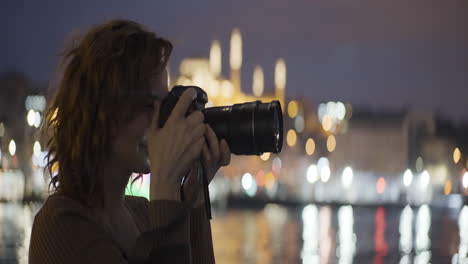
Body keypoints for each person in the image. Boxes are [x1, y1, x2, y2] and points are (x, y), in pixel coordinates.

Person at [29, 19, 231, 264]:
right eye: (149, 105)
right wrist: (165, 190)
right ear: (103, 112)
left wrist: (194, 198)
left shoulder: (142, 213)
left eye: (164, 105)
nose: (162, 123)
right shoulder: (60, 225)